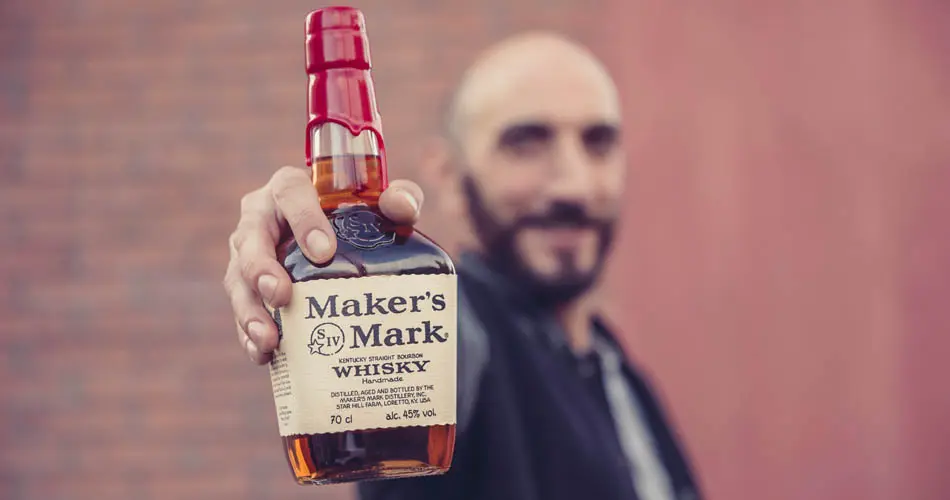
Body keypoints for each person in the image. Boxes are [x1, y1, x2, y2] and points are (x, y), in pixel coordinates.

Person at [223, 32, 703, 500]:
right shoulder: (456, 332)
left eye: (598, 143)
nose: (573, 185)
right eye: (525, 144)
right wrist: (302, 254)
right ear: (449, 176)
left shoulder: (619, 373)